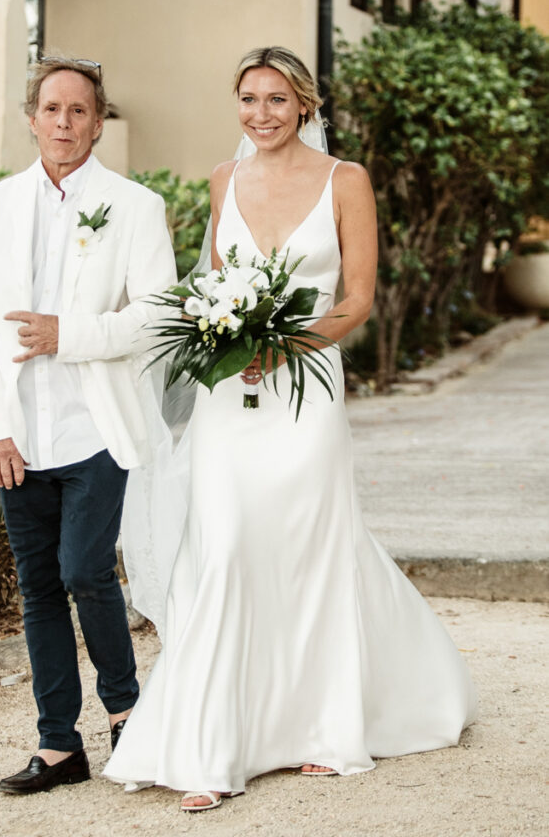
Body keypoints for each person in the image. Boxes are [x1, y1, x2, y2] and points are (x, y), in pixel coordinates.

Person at [103, 46, 477, 811]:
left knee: (308, 544)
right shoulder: (221, 180)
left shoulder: (346, 181)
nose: (260, 114)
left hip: (304, 390)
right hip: (227, 398)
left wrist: (282, 347)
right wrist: (220, 336)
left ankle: (320, 728)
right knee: (228, 546)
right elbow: (212, 284)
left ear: (304, 104)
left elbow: (357, 296)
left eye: (276, 99)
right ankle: (212, 748)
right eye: (247, 98)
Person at [0, 55, 177, 794]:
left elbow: (157, 314)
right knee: (37, 586)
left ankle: (126, 715)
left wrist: (69, 335)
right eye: (51, 109)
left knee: (85, 570)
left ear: (97, 120)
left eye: (79, 111)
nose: (63, 123)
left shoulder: (134, 206)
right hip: (19, 434)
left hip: (96, 429)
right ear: (31, 117)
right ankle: (58, 744)